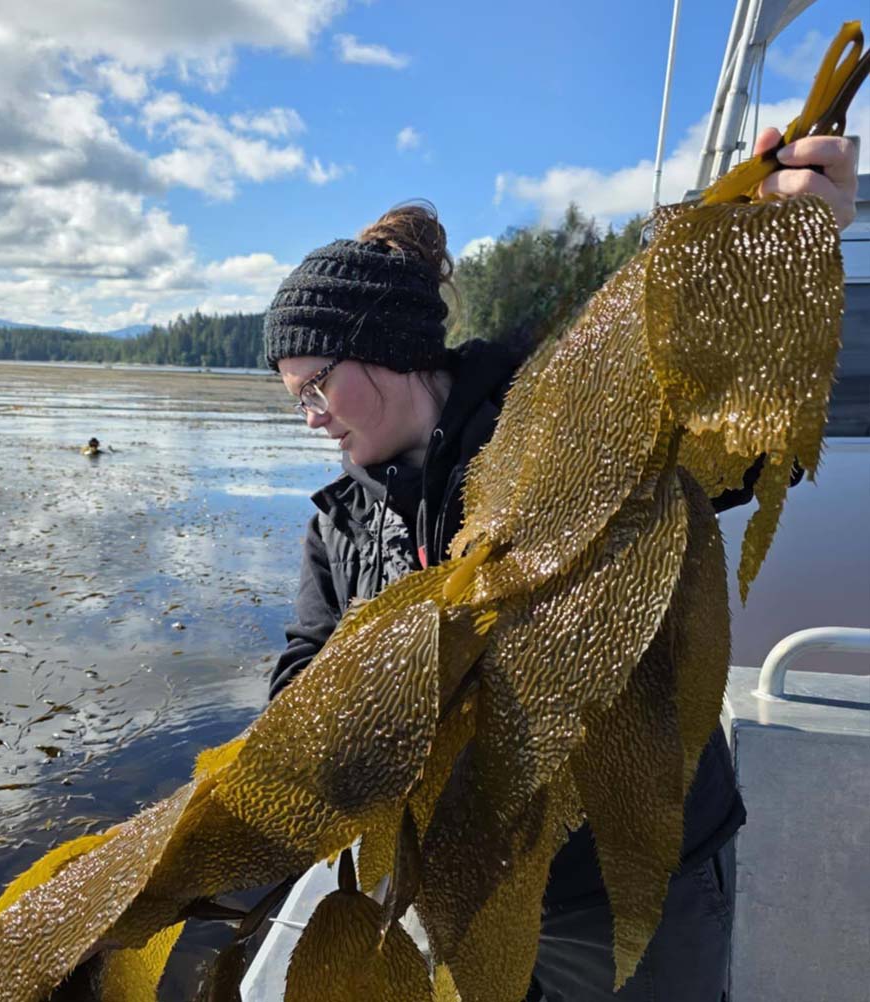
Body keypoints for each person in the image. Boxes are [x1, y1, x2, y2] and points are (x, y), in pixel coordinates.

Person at [261, 129, 858, 1002]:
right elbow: (295, 688)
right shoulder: (339, 526)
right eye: (295, 401)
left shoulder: (556, 425)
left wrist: (788, 254)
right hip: (477, 894)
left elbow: (740, 443)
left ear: (386, 344)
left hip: (634, 868)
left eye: (316, 385)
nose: (311, 418)